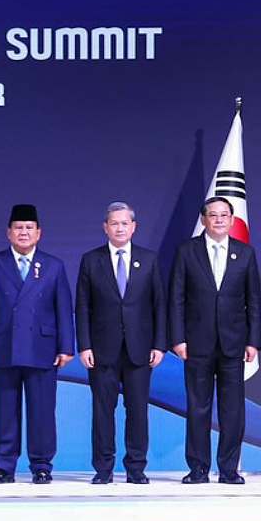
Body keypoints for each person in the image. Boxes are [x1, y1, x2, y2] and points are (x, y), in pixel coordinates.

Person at [0, 204, 73, 484]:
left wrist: (66, 346)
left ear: (39, 233)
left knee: (42, 411)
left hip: (42, 348)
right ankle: (3, 466)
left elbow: (64, 308)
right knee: (4, 410)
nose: (24, 232)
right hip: (2, 347)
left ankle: (41, 465)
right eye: (18, 228)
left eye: (29, 228)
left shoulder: (53, 266)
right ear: (8, 233)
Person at [169, 197, 261, 484]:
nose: (219, 220)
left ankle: (229, 469)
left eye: (224, 215)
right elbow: (176, 299)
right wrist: (178, 338)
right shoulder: (187, 251)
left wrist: (253, 341)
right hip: (196, 343)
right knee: (198, 406)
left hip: (234, 344)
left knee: (232, 409)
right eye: (213, 215)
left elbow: (254, 301)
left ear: (232, 220)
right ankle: (198, 468)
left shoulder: (245, 253)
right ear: (204, 220)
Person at [75, 202, 165, 485]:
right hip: (102, 350)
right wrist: (84, 345)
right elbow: (83, 306)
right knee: (103, 411)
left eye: (125, 223)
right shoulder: (91, 260)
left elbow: (159, 305)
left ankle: (136, 468)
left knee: (137, 411)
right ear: (105, 227)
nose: (120, 228)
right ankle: (103, 469)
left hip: (140, 350)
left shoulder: (149, 260)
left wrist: (159, 345)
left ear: (134, 227)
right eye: (114, 223)